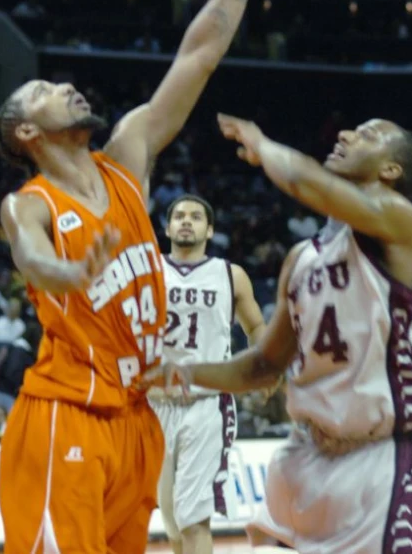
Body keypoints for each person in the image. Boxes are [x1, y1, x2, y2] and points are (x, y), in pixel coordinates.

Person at [0, 0, 281, 554]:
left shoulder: (126, 157)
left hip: (138, 417)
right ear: (27, 134)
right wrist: (63, 273)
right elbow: (30, 257)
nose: (65, 85)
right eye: (44, 90)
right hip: (67, 414)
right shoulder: (29, 203)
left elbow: (199, 53)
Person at [145, 115, 412, 554]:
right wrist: (182, 373)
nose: (344, 134)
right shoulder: (301, 258)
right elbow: (263, 366)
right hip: (306, 452)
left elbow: (310, 185)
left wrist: (264, 146)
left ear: (390, 171)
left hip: (382, 454)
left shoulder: (403, 225)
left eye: (367, 136)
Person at [150, 194, 266, 554]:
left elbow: (257, 326)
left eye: (196, 217)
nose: (186, 221)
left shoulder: (231, 275)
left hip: (206, 405)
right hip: (151, 405)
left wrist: (263, 369)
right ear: (167, 227)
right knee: (169, 515)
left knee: (194, 518)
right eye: (179, 216)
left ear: (210, 229)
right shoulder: (146, 270)